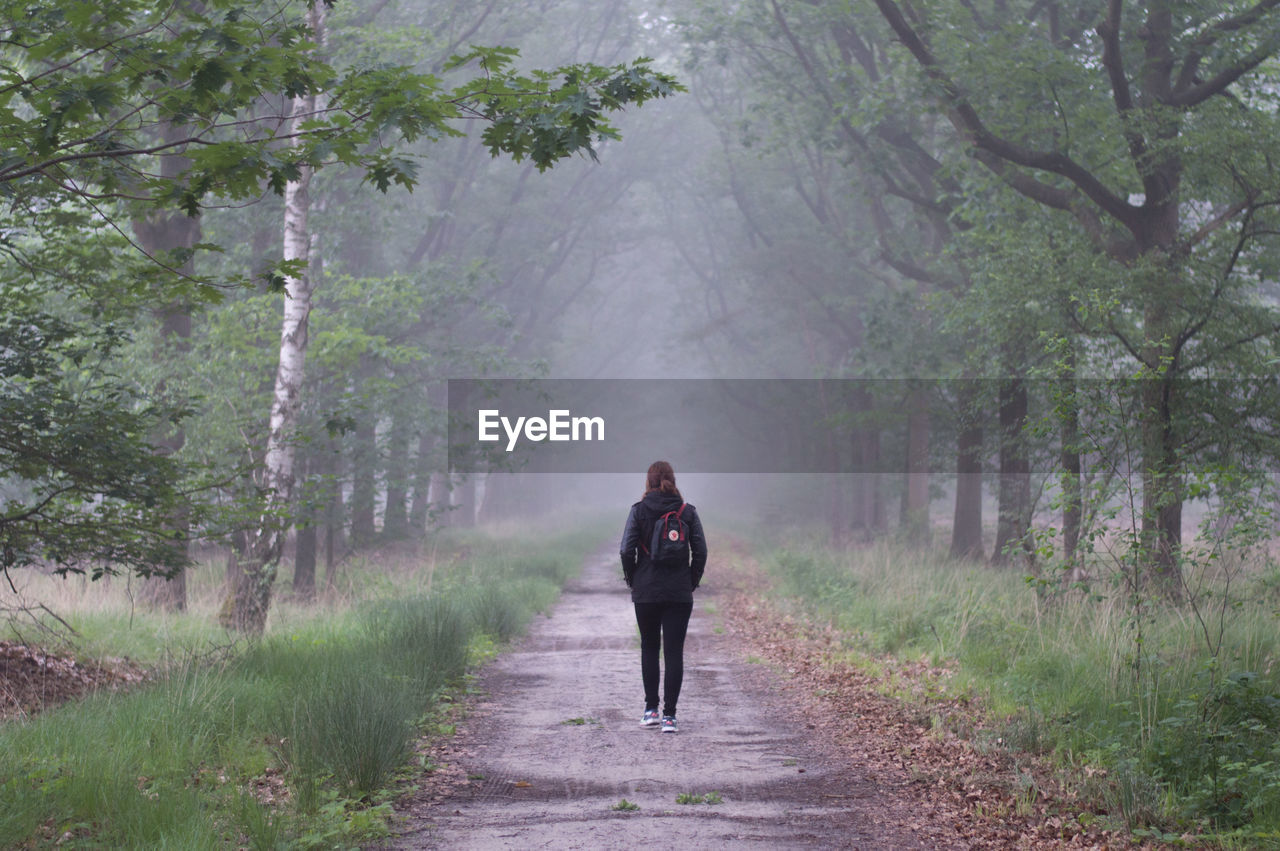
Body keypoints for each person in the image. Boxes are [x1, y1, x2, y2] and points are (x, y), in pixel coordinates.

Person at [619, 461, 708, 733]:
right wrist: (691, 581)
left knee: (648, 647)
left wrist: (634, 579)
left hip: (645, 591)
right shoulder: (688, 512)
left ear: (648, 481)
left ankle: (650, 710)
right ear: (672, 480)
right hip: (678, 592)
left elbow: (626, 550)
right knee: (673, 652)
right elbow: (701, 551)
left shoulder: (638, 511)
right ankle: (670, 717)